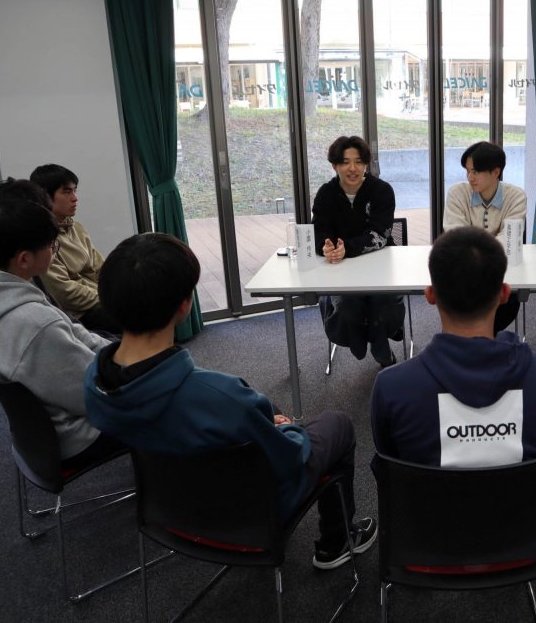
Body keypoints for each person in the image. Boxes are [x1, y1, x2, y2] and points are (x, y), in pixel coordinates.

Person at [83, 233, 376, 569]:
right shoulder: (221, 396)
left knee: (268, 408)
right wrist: (287, 430)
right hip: (249, 510)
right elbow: (290, 457)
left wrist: (266, 421)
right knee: (337, 424)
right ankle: (336, 542)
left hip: (168, 507)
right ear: (184, 305)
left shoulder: (96, 382)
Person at [0, 179, 121, 470]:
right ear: (24, 258)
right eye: (51, 246)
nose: (53, 250)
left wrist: (116, 352)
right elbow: (92, 396)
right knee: (161, 398)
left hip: (39, 433)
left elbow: (71, 332)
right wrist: (134, 375)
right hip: (78, 436)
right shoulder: (34, 325)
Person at [371, 226, 536, 467]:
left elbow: (390, 465)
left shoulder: (392, 388)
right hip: (525, 494)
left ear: (430, 295)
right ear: (505, 294)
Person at [312, 135, 404, 368]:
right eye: (345, 162)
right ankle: (368, 342)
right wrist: (326, 247)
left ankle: (377, 344)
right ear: (334, 165)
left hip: (380, 264)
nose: (352, 168)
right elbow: (319, 230)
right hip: (341, 268)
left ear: (366, 164)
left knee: (380, 303)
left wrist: (347, 249)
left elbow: (380, 234)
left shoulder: (382, 190)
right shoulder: (326, 194)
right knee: (349, 305)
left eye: (359, 161)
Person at [443, 141, 527, 334]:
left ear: (496, 172)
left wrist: (475, 247)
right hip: (464, 272)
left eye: (475, 172)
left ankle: (479, 341)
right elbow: (455, 235)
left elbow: (509, 239)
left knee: (505, 304)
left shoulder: (516, 197)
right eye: (467, 171)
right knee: (459, 300)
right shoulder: (457, 193)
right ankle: (479, 342)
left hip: (501, 274)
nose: (470, 178)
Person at [29, 163, 121, 334]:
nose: (75, 198)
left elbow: (102, 269)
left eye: (74, 191)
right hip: (80, 314)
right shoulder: (42, 239)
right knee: (143, 318)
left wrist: (120, 291)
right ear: (45, 196)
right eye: (67, 192)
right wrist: (110, 299)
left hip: (100, 300)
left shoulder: (76, 228)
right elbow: (65, 293)